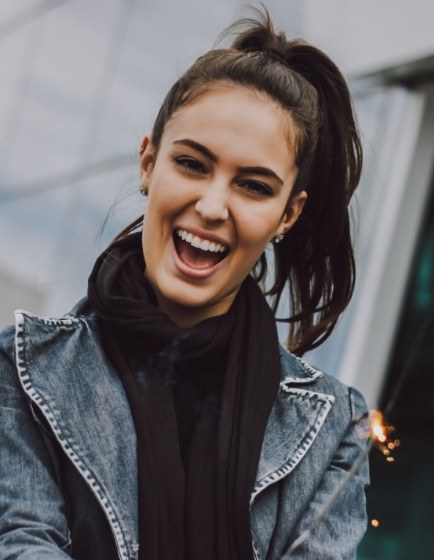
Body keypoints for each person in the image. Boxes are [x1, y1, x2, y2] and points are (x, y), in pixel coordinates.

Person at [0, 8, 369, 560]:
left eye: (253, 186)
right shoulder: (24, 374)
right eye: (193, 164)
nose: (213, 206)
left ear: (288, 215)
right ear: (149, 162)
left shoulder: (334, 433)